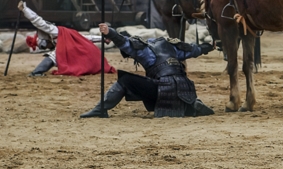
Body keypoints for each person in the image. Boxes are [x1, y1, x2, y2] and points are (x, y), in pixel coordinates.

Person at [80, 23, 216, 119]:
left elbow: (125, 43)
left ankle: (101, 109)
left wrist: (111, 33)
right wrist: (209, 47)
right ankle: (190, 106)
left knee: (126, 80)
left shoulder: (146, 50)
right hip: (185, 88)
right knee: (165, 86)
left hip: (163, 87)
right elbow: (195, 49)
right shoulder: (173, 47)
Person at [18, 1, 114, 77]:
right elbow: (85, 38)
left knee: (53, 55)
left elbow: (38, 21)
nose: (47, 47)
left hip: (74, 51)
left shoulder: (56, 32)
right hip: (74, 52)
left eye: (45, 46)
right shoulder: (59, 37)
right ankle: (37, 72)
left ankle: (37, 72)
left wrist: (25, 10)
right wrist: (102, 39)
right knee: (56, 53)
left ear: (45, 41)